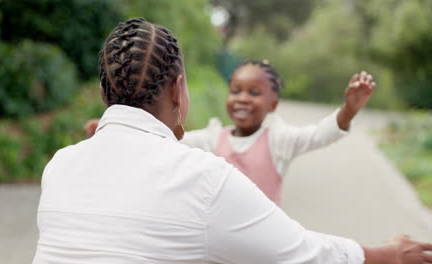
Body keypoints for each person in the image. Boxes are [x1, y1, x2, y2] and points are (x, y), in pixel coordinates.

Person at [34, 18, 432, 264]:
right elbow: (300, 253)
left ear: (104, 95)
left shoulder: (59, 166)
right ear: (178, 90)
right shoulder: (203, 176)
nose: (243, 100)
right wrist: (386, 256)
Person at [85, 60, 376, 206]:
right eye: (235, 90)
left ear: (273, 104)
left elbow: (318, 134)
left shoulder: (278, 140)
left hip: (264, 241)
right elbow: (170, 139)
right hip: (220, 233)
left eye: (254, 93)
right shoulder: (214, 137)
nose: (242, 98)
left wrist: (348, 110)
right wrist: (117, 131)